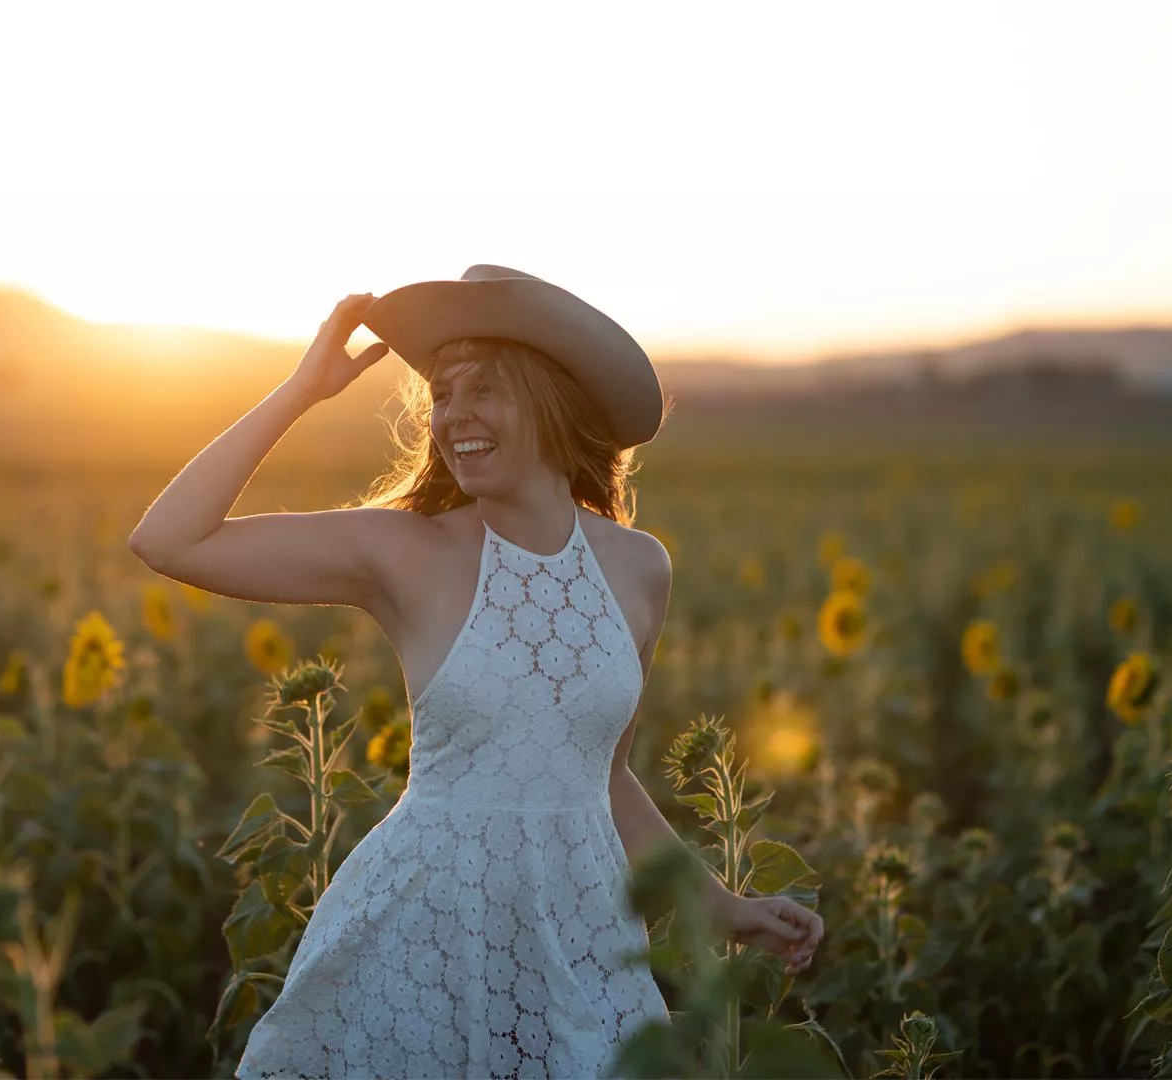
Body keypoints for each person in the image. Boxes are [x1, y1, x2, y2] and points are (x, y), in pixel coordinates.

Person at [128, 265, 824, 1079]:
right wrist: (300, 391)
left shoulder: (640, 569)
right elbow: (168, 539)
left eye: (484, 390)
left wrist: (722, 906)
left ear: (554, 401)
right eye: (443, 395)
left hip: (583, 936)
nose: (454, 416)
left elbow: (602, 775)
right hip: (425, 935)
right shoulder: (405, 552)